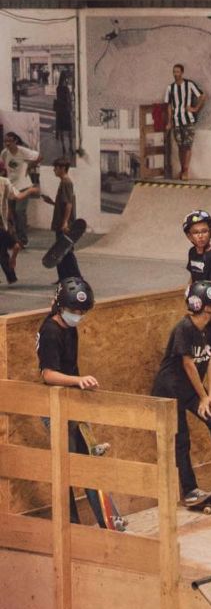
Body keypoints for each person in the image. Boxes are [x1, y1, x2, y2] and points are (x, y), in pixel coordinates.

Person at [151, 280, 211, 506]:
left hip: (192, 389)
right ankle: (190, 490)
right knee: (182, 440)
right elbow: (188, 364)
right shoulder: (183, 329)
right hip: (169, 391)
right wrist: (202, 396)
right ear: (206, 307)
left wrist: (210, 396)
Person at [36, 276, 106, 528]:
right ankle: (69, 522)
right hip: (52, 405)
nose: (77, 316)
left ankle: (105, 518)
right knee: (65, 465)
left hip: (70, 402)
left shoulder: (70, 329)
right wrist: (78, 380)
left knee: (85, 462)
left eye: (81, 312)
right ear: (59, 306)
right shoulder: (51, 331)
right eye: (73, 311)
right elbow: (48, 374)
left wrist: (79, 388)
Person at [1, 128, 40, 277]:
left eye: (9, 141)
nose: (6, 144)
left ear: (15, 141)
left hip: (24, 186)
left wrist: (29, 167)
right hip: (11, 187)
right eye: (5, 141)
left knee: (19, 212)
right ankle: (15, 239)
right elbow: (5, 167)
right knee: (10, 215)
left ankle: (24, 240)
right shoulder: (5, 153)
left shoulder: (23, 152)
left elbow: (38, 157)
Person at [163, 63, 205, 180]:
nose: (175, 74)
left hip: (188, 120)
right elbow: (169, 106)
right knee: (180, 146)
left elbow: (202, 96)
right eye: (174, 72)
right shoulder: (170, 88)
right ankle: (183, 170)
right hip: (176, 121)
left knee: (187, 146)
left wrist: (195, 108)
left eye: (177, 72)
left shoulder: (189, 84)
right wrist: (169, 122)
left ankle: (186, 171)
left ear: (182, 73)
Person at [44, 158, 81, 281]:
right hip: (61, 221)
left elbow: (69, 204)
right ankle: (63, 277)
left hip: (64, 223)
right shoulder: (63, 182)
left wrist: (65, 222)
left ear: (63, 169)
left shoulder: (66, 182)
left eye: (56, 168)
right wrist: (52, 203)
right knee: (60, 250)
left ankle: (76, 276)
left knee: (66, 251)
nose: (54, 170)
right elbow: (63, 203)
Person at [183, 209, 211, 283]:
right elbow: (192, 277)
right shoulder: (192, 252)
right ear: (189, 236)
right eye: (195, 232)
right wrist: (188, 290)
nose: (200, 236)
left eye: (204, 231)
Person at [0, 159, 18, 283]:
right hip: (2, 224)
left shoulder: (3, 182)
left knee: (2, 252)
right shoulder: (4, 182)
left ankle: (11, 276)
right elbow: (16, 196)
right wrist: (31, 190)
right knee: (2, 252)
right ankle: (11, 276)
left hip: (2, 224)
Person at [53, 70, 74, 159]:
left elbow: (58, 98)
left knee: (61, 129)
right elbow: (69, 100)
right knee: (69, 130)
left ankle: (63, 148)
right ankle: (71, 147)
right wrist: (71, 110)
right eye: (67, 78)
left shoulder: (58, 88)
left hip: (60, 111)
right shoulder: (66, 89)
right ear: (65, 78)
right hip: (66, 111)